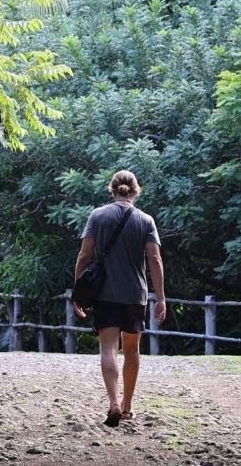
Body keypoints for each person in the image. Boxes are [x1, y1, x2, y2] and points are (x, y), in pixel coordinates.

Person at [73, 169, 166, 427]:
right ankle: (127, 408)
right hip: (136, 295)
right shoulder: (146, 220)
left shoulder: (97, 216)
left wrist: (78, 292)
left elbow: (84, 255)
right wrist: (161, 297)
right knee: (132, 350)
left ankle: (113, 401)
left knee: (108, 348)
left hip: (105, 295)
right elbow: (155, 259)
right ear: (136, 190)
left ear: (112, 189)